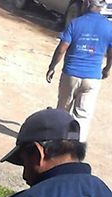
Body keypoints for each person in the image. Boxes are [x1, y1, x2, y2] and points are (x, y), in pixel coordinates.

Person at [46, 0, 112, 142]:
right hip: (92, 78)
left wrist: (52, 67)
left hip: (71, 74)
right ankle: (76, 147)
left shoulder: (75, 23)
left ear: (87, 3)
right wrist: (107, 68)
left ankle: (57, 142)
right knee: (82, 115)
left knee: (63, 111)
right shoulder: (109, 27)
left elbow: (62, 48)